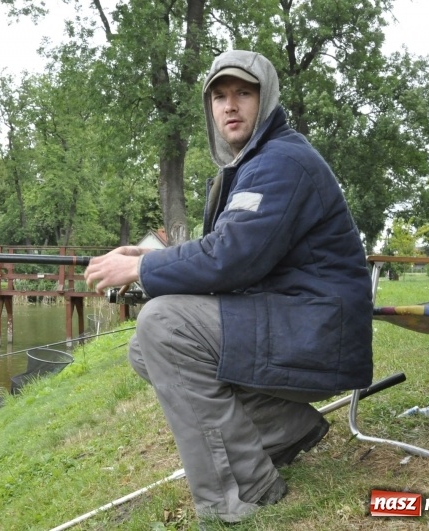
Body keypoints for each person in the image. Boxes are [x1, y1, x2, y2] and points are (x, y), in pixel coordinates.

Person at [83, 50, 373, 525]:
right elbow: (233, 247)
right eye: (219, 96)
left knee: (163, 324)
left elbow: (231, 259)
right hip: (298, 323)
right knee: (145, 349)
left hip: (318, 332)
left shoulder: (282, 162)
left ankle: (239, 493)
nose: (230, 106)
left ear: (267, 99)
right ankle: (284, 428)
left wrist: (144, 269)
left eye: (243, 93)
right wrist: (150, 258)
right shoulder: (256, 163)